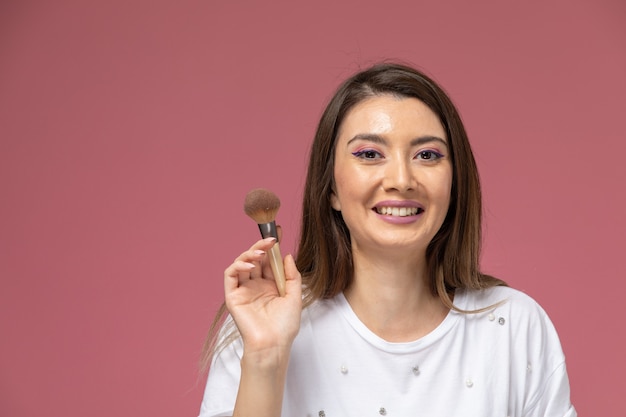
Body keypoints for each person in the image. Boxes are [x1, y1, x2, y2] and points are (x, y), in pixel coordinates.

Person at [198, 62, 576, 417]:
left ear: (455, 182)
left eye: (427, 154)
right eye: (369, 154)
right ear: (330, 187)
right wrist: (266, 354)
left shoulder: (514, 326)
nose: (401, 178)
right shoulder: (259, 325)